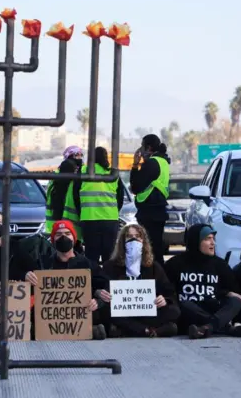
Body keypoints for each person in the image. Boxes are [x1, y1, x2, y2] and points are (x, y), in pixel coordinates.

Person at [164, 224, 241, 339]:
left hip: (214, 309)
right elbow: (168, 290)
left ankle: (207, 328)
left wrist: (226, 293)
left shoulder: (220, 264)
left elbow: (233, 290)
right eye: (207, 239)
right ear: (196, 241)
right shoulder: (175, 263)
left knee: (236, 300)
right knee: (184, 303)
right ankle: (228, 329)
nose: (213, 243)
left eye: (213, 239)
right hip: (190, 311)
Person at [21, 220, 109, 340]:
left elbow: (105, 286)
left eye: (67, 234)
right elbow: (22, 283)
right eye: (59, 234)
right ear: (52, 240)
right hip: (48, 318)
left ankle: (84, 330)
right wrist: (26, 276)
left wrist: (98, 299)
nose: (63, 237)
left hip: (81, 315)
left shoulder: (87, 264)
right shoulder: (43, 263)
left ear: (74, 238)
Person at [101, 224, 180, 338]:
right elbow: (103, 288)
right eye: (129, 236)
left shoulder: (153, 266)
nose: (133, 239)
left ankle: (129, 330)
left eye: (137, 236)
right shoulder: (110, 266)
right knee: (104, 310)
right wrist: (102, 293)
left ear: (143, 241)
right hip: (123, 313)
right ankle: (150, 330)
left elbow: (168, 291)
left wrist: (164, 300)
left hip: (147, 312)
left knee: (174, 311)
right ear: (123, 241)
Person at [73, 147, 124, 264]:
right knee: (109, 257)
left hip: (89, 219)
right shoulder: (113, 173)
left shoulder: (83, 171)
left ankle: (94, 282)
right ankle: (108, 281)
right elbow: (120, 198)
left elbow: (76, 196)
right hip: (110, 220)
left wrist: (82, 213)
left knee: (91, 256)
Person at [130, 134, 171, 265]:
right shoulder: (163, 161)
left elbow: (135, 186)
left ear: (148, 148)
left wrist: (135, 165)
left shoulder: (152, 163)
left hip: (149, 212)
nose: (140, 150)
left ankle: (153, 278)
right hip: (158, 210)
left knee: (149, 250)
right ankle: (159, 278)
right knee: (156, 248)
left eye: (142, 147)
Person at [45, 158, 78, 236]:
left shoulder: (53, 185)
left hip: (54, 226)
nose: (76, 173)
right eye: (75, 170)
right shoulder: (71, 186)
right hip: (69, 227)